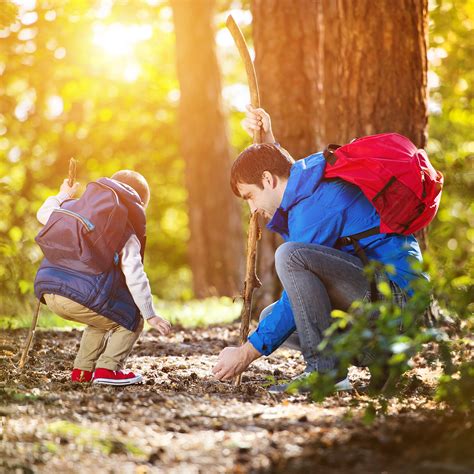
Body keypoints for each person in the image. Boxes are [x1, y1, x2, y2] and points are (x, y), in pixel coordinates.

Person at [212, 106, 426, 391]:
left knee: (290, 256)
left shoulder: (316, 207)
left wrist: (245, 354)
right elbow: (284, 172)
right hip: (382, 302)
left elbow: (298, 264)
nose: (253, 209)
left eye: (250, 197)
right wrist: (269, 142)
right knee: (269, 316)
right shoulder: (310, 180)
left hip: (398, 307)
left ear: (267, 180)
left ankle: (326, 373)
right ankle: (380, 360)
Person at [34, 170, 171, 386]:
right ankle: (108, 369)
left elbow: (43, 214)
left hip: (48, 290)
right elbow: (136, 276)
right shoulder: (125, 230)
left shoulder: (73, 208)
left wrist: (63, 195)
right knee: (131, 320)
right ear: (139, 205)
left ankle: (82, 371)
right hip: (78, 297)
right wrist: (149, 313)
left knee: (101, 320)